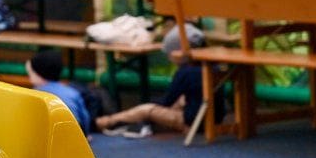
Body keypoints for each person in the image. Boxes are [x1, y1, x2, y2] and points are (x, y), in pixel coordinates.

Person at [95, 24, 224, 136]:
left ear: (177, 52)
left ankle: (106, 122)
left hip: (194, 121)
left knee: (146, 109)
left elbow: (166, 101)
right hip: (216, 118)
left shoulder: (185, 71)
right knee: (183, 99)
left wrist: (151, 106)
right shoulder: (212, 66)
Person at [25, 49, 91, 136]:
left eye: (30, 74)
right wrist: (86, 135)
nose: (29, 78)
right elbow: (85, 118)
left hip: (46, 137)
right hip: (74, 136)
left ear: (39, 74)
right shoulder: (72, 93)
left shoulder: (34, 95)